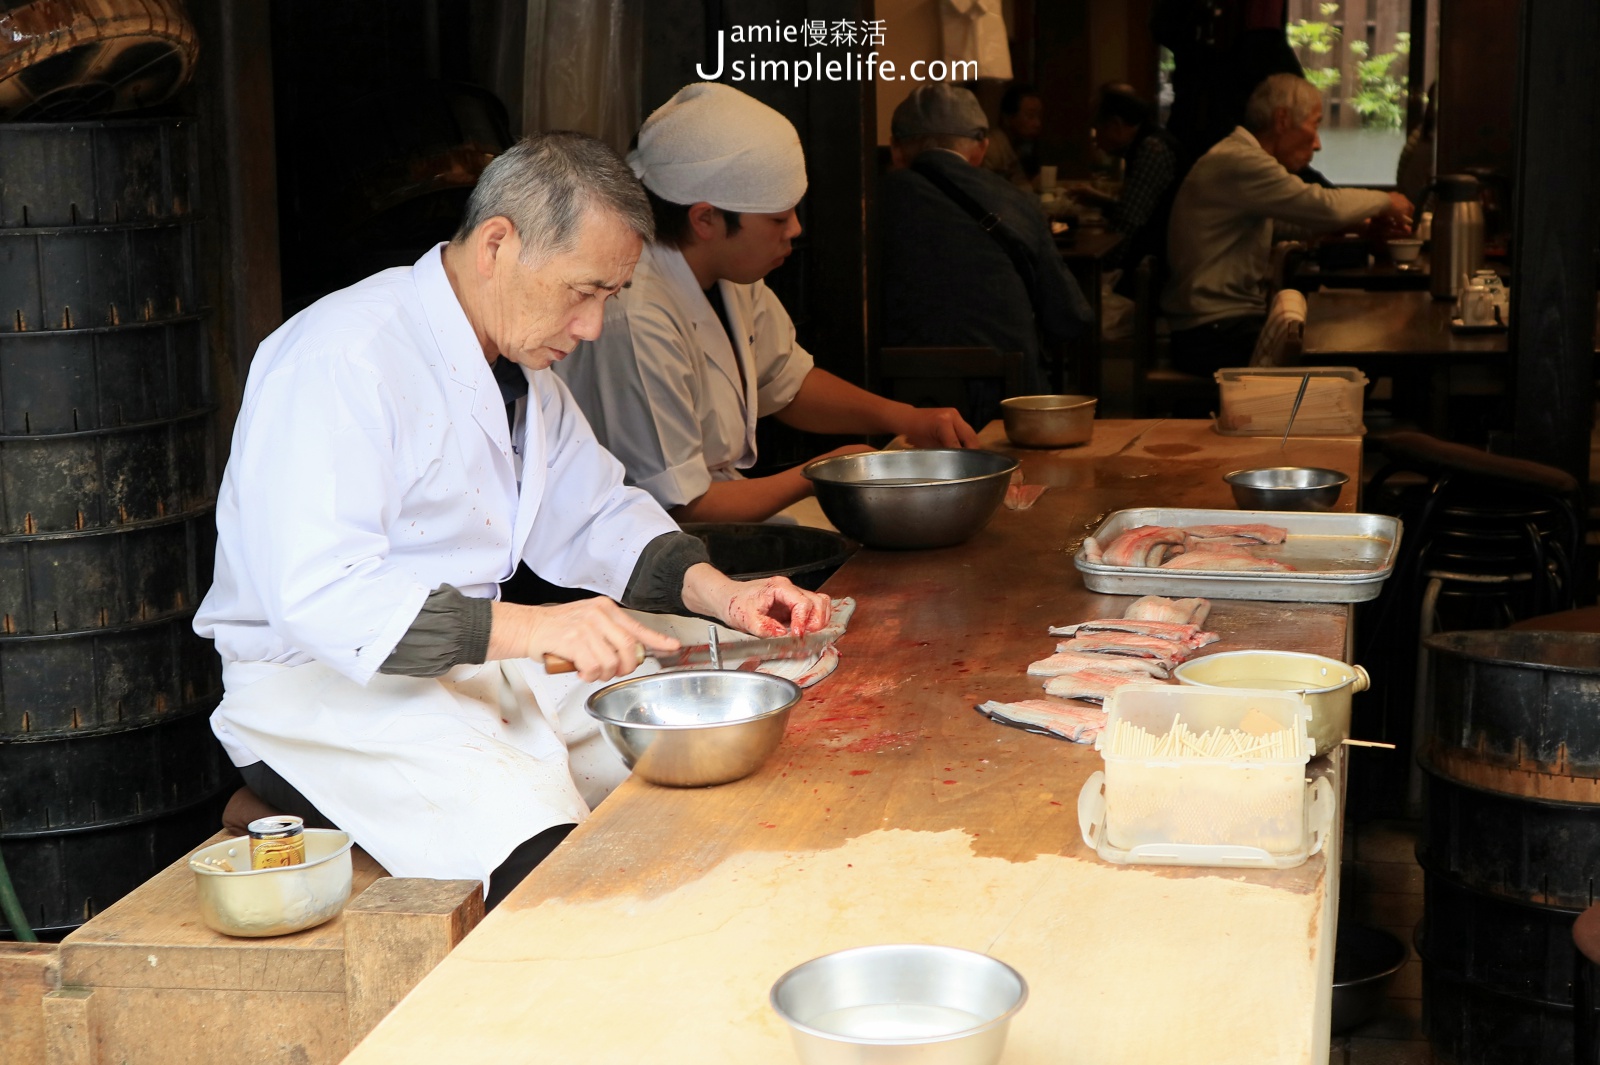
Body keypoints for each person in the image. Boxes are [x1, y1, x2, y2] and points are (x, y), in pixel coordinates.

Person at [193, 132, 833, 907]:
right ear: (499, 243)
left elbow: (598, 512)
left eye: (610, 297)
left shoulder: (523, 376)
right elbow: (327, 595)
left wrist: (719, 593)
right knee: (546, 855)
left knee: (680, 746)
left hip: (468, 667)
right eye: (583, 290)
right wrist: (535, 630)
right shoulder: (343, 355)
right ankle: (286, 800)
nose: (593, 326)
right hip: (325, 693)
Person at [556, 83, 977, 525]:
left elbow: (786, 383)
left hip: (716, 518)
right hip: (643, 546)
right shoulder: (634, 316)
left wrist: (907, 419)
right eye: (778, 218)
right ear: (705, 219)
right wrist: (825, 472)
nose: (795, 229)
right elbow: (683, 506)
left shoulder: (729, 270)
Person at [1162, 73, 1413, 381]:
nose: (1318, 143)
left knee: (1350, 347)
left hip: (1214, 328)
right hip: (1214, 333)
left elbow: (1286, 224)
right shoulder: (1242, 160)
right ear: (1282, 119)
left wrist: (1358, 226)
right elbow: (1323, 205)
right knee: (1352, 357)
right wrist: (1386, 200)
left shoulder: (1237, 157)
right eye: (1316, 124)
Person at [878, 83, 1093, 397]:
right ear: (981, 149)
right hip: (1007, 404)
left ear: (896, 150)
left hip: (896, 404)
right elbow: (1070, 319)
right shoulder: (1017, 202)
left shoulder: (869, 206)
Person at [1076, 83, 1185, 288]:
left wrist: (1098, 267)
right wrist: (1100, 200)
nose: (1096, 140)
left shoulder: (1152, 149)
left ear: (1116, 125)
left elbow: (1128, 224)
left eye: (1097, 129)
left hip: (1157, 271)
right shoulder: (1149, 143)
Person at [982, 81, 1043, 190]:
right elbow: (987, 192)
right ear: (1007, 119)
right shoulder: (991, 149)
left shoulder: (1020, 147)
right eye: (1030, 116)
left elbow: (1019, 182)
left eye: (1039, 116)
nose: (1037, 123)